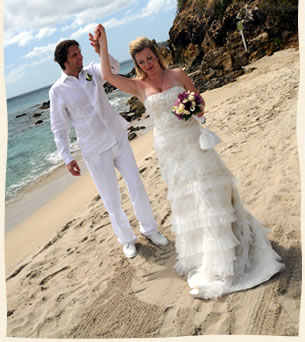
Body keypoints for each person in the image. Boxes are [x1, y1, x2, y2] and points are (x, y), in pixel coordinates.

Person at [90, 24, 285, 300]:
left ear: (157, 55)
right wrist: (103, 43)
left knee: (213, 192)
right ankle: (208, 255)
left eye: (150, 58)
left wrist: (193, 107)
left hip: (194, 141)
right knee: (190, 200)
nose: (147, 64)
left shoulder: (178, 74)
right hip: (170, 151)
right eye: (141, 61)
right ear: (137, 64)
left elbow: (200, 101)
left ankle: (230, 251)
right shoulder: (137, 86)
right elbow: (108, 75)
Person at [49, 39, 169, 259]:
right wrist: (66, 157)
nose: (80, 57)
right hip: (95, 150)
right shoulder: (58, 91)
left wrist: (102, 50)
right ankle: (127, 240)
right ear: (63, 61)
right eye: (75, 55)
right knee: (111, 199)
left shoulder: (92, 70)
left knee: (137, 185)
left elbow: (113, 69)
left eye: (80, 52)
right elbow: (59, 128)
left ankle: (150, 230)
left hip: (118, 137)